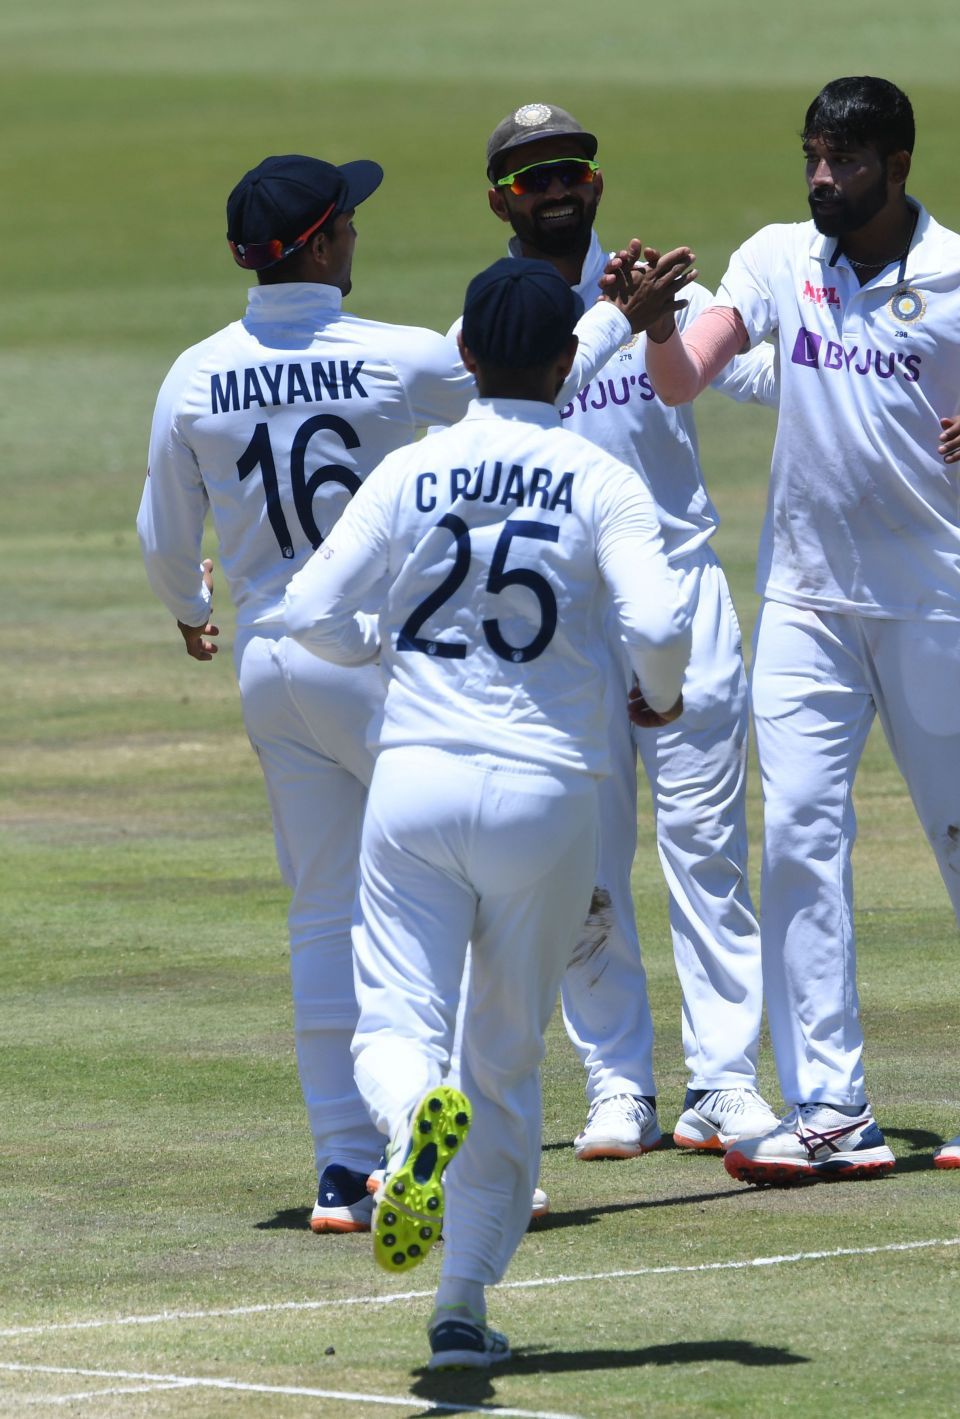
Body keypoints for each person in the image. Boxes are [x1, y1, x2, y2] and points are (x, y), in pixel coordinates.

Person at [137, 153, 655, 1233]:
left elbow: (161, 536)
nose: (358, 237)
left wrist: (190, 606)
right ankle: (457, 1147)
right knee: (452, 902)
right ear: (321, 246)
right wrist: (612, 315)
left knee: (324, 916)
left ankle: (342, 1168)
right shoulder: (393, 357)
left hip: (270, 664)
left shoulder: (194, 373)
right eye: (350, 225)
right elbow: (522, 390)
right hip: (371, 659)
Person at [641, 76, 960, 1182]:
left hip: (929, 601)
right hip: (803, 602)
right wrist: (656, 325)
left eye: (843, 160)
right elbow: (687, 376)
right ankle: (833, 1108)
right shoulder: (779, 256)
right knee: (797, 839)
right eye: (812, 157)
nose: (823, 178)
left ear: (898, 165)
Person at [282, 257, 692, 1370]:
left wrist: (376, 648)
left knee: (396, 1024)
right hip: (549, 794)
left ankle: (413, 1118)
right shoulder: (597, 478)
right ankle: (460, 1304)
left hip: (415, 778)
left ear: (464, 357)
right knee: (505, 1057)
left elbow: (307, 609)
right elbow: (659, 622)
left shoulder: (416, 469)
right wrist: (659, 691)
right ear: (569, 360)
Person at [473, 102, 782, 1162]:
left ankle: (726, 1082)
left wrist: (662, 322)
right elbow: (512, 419)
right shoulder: (496, 319)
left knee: (705, 848)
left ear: (596, 183)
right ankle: (618, 1085)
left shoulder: (666, 291)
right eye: (529, 174)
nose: (554, 184)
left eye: (570, 166)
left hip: (681, 590)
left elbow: (768, 376)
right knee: (583, 861)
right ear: (499, 198)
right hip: (561, 614)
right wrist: (622, 315)